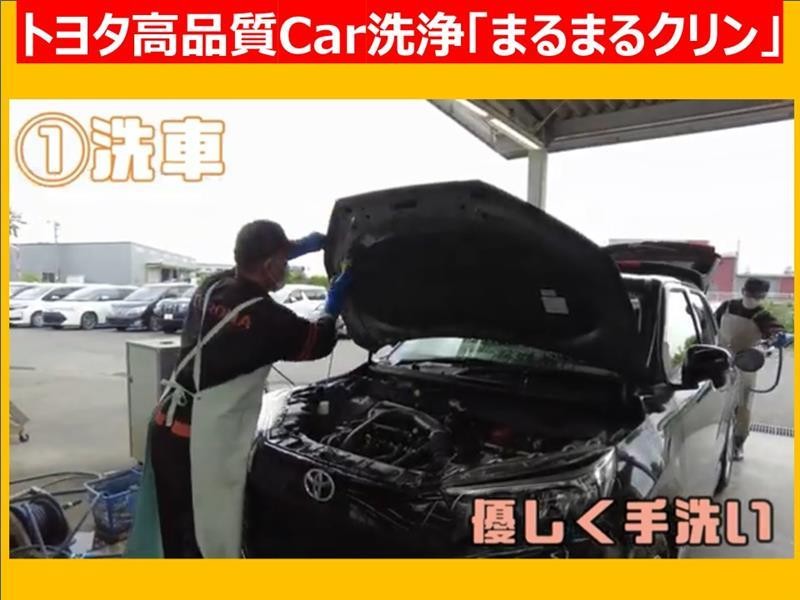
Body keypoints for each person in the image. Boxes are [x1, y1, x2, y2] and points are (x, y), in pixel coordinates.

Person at [126, 220, 351, 558]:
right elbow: (318, 341)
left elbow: (246, 267)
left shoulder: (211, 286)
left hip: (166, 427)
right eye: (284, 261)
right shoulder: (269, 319)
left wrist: (295, 247)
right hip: (201, 446)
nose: (287, 268)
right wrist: (333, 305)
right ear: (269, 265)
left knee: (174, 531)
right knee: (205, 537)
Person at [714, 277, 787, 461]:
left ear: (763, 297)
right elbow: (709, 323)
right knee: (716, 401)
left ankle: (738, 444)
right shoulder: (727, 306)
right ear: (743, 291)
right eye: (750, 293)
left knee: (743, 406)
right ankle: (714, 437)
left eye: (757, 296)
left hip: (746, 364)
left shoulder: (763, 316)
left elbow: (776, 331)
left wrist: (779, 337)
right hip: (719, 359)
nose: (752, 298)